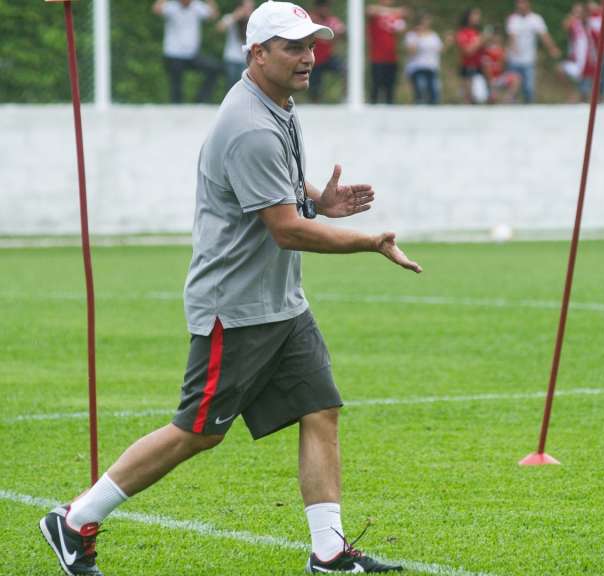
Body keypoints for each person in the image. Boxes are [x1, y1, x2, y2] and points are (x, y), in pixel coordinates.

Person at [37, 3, 420, 575]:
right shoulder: (247, 126)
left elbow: (286, 194)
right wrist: (367, 241)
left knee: (321, 410)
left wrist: (321, 201)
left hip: (281, 304)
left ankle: (330, 552)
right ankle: (73, 520)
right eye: (293, 47)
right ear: (256, 53)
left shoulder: (278, 107)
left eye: (312, 45)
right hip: (234, 310)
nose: (308, 57)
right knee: (195, 433)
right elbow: (286, 229)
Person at [154, 0, 222, 104]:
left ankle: (201, 100)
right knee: (176, 87)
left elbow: (214, 15)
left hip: (192, 54)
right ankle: (176, 107)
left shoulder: (197, 6)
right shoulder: (171, 6)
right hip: (174, 54)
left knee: (214, 68)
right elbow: (156, 9)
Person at [505, 0, 561, 103]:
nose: (520, 5)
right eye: (518, 3)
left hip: (529, 59)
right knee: (513, 87)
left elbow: (544, 36)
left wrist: (552, 48)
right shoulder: (513, 19)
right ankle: (512, 108)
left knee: (528, 88)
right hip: (514, 59)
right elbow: (511, 36)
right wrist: (513, 48)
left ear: (528, 4)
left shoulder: (536, 19)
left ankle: (528, 108)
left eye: (522, 3)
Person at [367, 0, 407, 104]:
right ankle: (372, 111)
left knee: (390, 88)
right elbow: (370, 10)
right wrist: (394, 11)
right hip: (377, 58)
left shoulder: (395, 16)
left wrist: (397, 14)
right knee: (376, 87)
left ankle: (390, 114)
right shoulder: (377, 13)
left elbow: (402, 27)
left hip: (391, 57)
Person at [309, 0, 347, 104]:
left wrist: (340, 33)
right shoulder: (310, 20)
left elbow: (343, 32)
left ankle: (346, 97)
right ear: (317, 8)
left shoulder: (332, 20)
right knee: (314, 87)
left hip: (328, 57)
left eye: (327, 7)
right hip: (313, 59)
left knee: (346, 69)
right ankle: (315, 103)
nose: (325, 10)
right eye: (322, 7)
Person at [404, 13, 444, 105]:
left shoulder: (433, 35)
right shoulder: (411, 35)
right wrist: (418, 36)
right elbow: (411, 51)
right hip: (417, 68)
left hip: (431, 67)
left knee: (433, 93)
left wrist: (447, 41)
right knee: (420, 92)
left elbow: (439, 50)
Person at [456, 8, 488, 104]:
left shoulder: (478, 32)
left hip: (480, 67)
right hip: (468, 68)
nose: (477, 18)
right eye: (475, 15)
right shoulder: (463, 33)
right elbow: (467, 51)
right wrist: (479, 41)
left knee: (481, 97)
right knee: (468, 97)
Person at [217, 0, 253, 85]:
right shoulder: (231, 17)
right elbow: (220, 28)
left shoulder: (253, 21)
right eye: (246, 8)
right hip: (231, 58)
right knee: (230, 86)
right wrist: (236, 16)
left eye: (250, 8)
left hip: (246, 60)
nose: (248, 10)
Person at [560, 3, 590, 103]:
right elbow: (565, 26)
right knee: (561, 70)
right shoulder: (574, 23)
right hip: (575, 59)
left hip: (587, 59)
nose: (577, 13)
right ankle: (571, 95)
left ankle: (582, 98)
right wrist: (572, 17)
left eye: (579, 11)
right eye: (575, 11)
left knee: (586, 83)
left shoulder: (587, 24)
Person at [482, 33, 522, 103]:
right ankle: (491, 97)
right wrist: (491, 83)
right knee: (493, 97)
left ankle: (508, 98)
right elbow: (486, 69)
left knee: (515, 78)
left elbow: (504, 67)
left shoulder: (502, 51)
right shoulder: (487, 52)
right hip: (490, 80)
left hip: (499, 78)